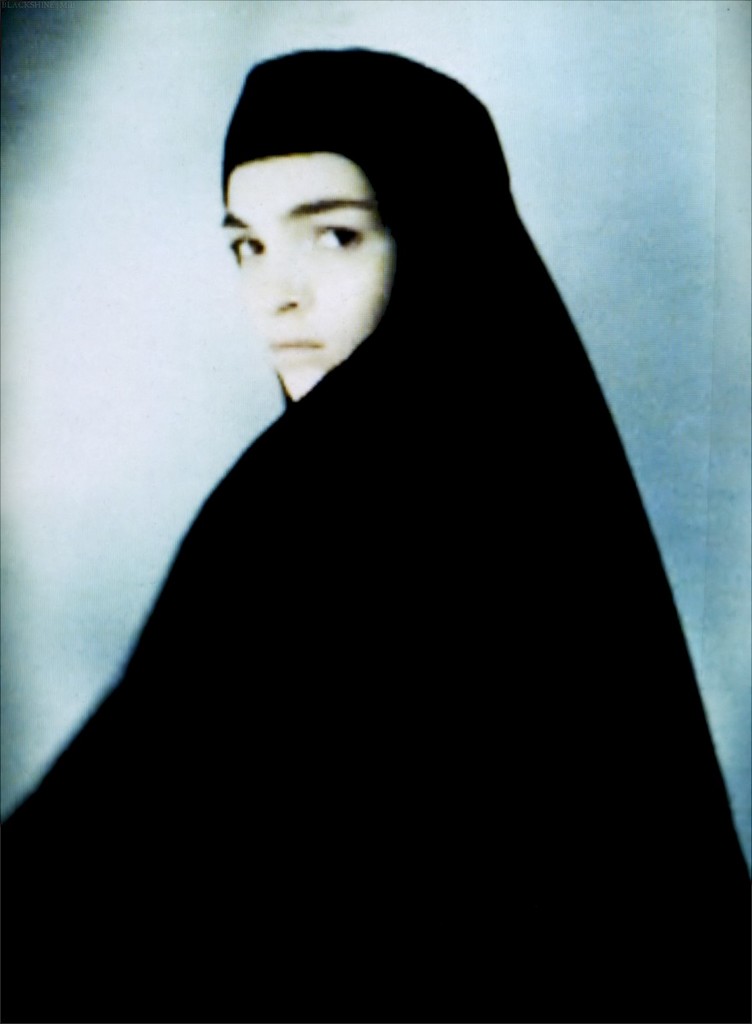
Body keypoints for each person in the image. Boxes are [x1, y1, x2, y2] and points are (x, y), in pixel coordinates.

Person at [3, 49, 749, 1024]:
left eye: (333, 235)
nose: (276, 295)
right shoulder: (310, 512)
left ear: (441, 237)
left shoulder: (411, 519)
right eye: (247, 246)